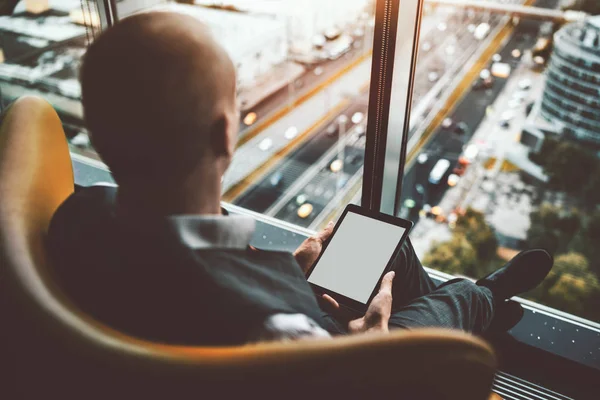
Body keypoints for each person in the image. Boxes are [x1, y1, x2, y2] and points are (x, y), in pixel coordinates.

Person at [47, 11, 553, 345]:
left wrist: (288, 270)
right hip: (342, 348)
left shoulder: (73, 217)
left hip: (237, 316)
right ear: (226, 133)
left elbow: (173, 284)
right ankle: (482, 301)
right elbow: (347, 382)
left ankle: (481, 310)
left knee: (382, 246)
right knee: (457, 295)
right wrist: (367, 342)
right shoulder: (284, 333)